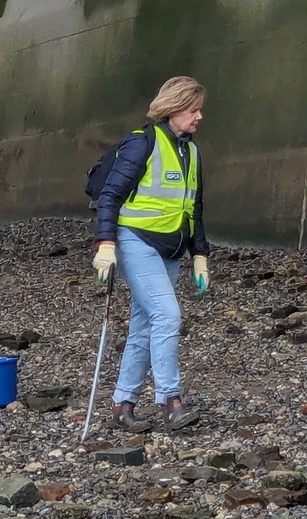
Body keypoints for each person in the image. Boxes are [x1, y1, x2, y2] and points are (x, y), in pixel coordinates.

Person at [92, 75, 210, 432]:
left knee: (145, 324)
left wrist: (200, 255)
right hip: (134, 242)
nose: (199, 116)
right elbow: (109, 197)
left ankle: (122, 405)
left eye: (200, 109)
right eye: (193, 109)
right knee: (168, 317)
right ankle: (171, 402)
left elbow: (194, 208)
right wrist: (106, 245)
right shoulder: (141, 144)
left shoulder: (190, 152)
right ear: (173, 110)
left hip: (170, 251)